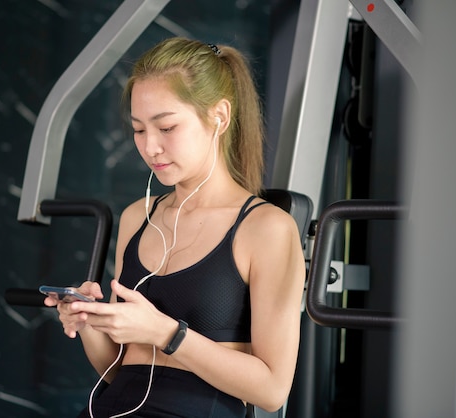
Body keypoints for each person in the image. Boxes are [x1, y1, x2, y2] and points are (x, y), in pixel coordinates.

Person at [44, 37, 306, 418]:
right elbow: (118, 370)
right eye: (138, 130)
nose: (150, 147)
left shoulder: (266, 228)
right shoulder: (138, 216)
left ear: (219, 115)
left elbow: (271, 390)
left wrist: (167, 334)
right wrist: (89, 322)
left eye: (166, 127)